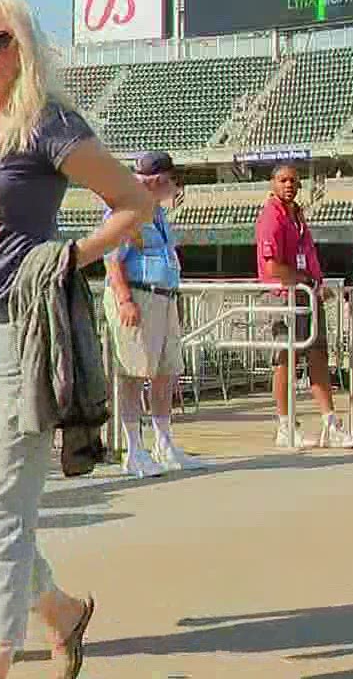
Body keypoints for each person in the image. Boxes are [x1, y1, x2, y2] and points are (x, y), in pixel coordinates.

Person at [0, 0, 154, 679]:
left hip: (17, 331)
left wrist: (63, 258)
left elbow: (133, 205)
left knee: (1, 505)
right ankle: (59, 610)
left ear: (24, 48)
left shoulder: (47, 122)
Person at [102, 150, 204, 478]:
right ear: (159, 180)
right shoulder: (128, 209)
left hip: (162, 297)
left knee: (166, 371)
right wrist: (124, 300)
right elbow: (112, 258)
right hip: (138, 297)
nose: (177, 187)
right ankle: (133, 449)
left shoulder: (156, 212)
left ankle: (163, 442)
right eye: (174, 180)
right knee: (133, 372)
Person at [256, 164, 353, 450]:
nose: (289, 185)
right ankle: (284, 425)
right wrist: (305, 281)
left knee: (318, 354)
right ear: (273, 183)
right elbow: (272, 265)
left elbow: (306, 256)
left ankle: (330, 423)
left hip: (307, 293)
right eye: (283, 180)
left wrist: (316, 285)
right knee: (285, 359)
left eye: (293, 180)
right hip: (285, 295)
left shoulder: (298, 215)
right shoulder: (271, 216)